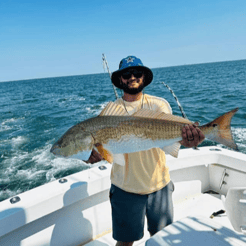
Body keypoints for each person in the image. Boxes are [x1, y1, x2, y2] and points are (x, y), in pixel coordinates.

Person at [87, 56, 205, 246]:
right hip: (124, 188)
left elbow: (173, 137)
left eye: (137, 73)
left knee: (162, 240)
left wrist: (189, 140)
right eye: (126, 74)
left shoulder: (159, 104)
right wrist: (91, 155)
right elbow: (103, 151)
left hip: (159, 185)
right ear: (120, 80)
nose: (132, 77)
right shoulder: (109, 112)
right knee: (125, 242)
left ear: (144, 77)